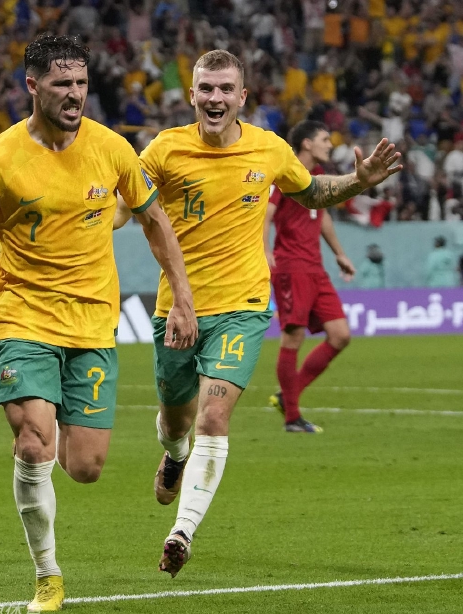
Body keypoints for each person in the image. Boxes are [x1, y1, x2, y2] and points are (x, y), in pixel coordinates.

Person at [0, 34, 196, 613]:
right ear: (32, 85)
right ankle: (47, 575)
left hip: (93, 324)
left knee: (86, 467)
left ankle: (94, 452)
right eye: (61, 83)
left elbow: (155, 221)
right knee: (33, 443)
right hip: (23, 317)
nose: (74, 94)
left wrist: (183, 297)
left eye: (81, 83)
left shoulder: (112, 149)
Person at [115, 50, 400, 580]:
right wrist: (86, 211)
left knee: (214, 416)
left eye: (226, 89)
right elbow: (122, 207)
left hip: (243, 307)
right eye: (206, 88)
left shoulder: (270, 148)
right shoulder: (164, 149)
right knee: (176, 421)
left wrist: (359, 180)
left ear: (242, 97)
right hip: (177, 308)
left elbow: (312, 192)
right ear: (192, 95)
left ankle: (182, 532)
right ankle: (175, 454)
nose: (215, 98)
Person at [264, 120, 355, 433]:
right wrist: (265, 250)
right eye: (324, 139)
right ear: (307, 143)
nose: (330, 144)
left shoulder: (316, 177)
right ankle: (292, 417)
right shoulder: (284, 173)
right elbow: (266, 213)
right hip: (291, 266)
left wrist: (339, 253)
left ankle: (288, 395)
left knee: (340, 335)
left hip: (316, 267)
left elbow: (322, 215)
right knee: (293, 337)